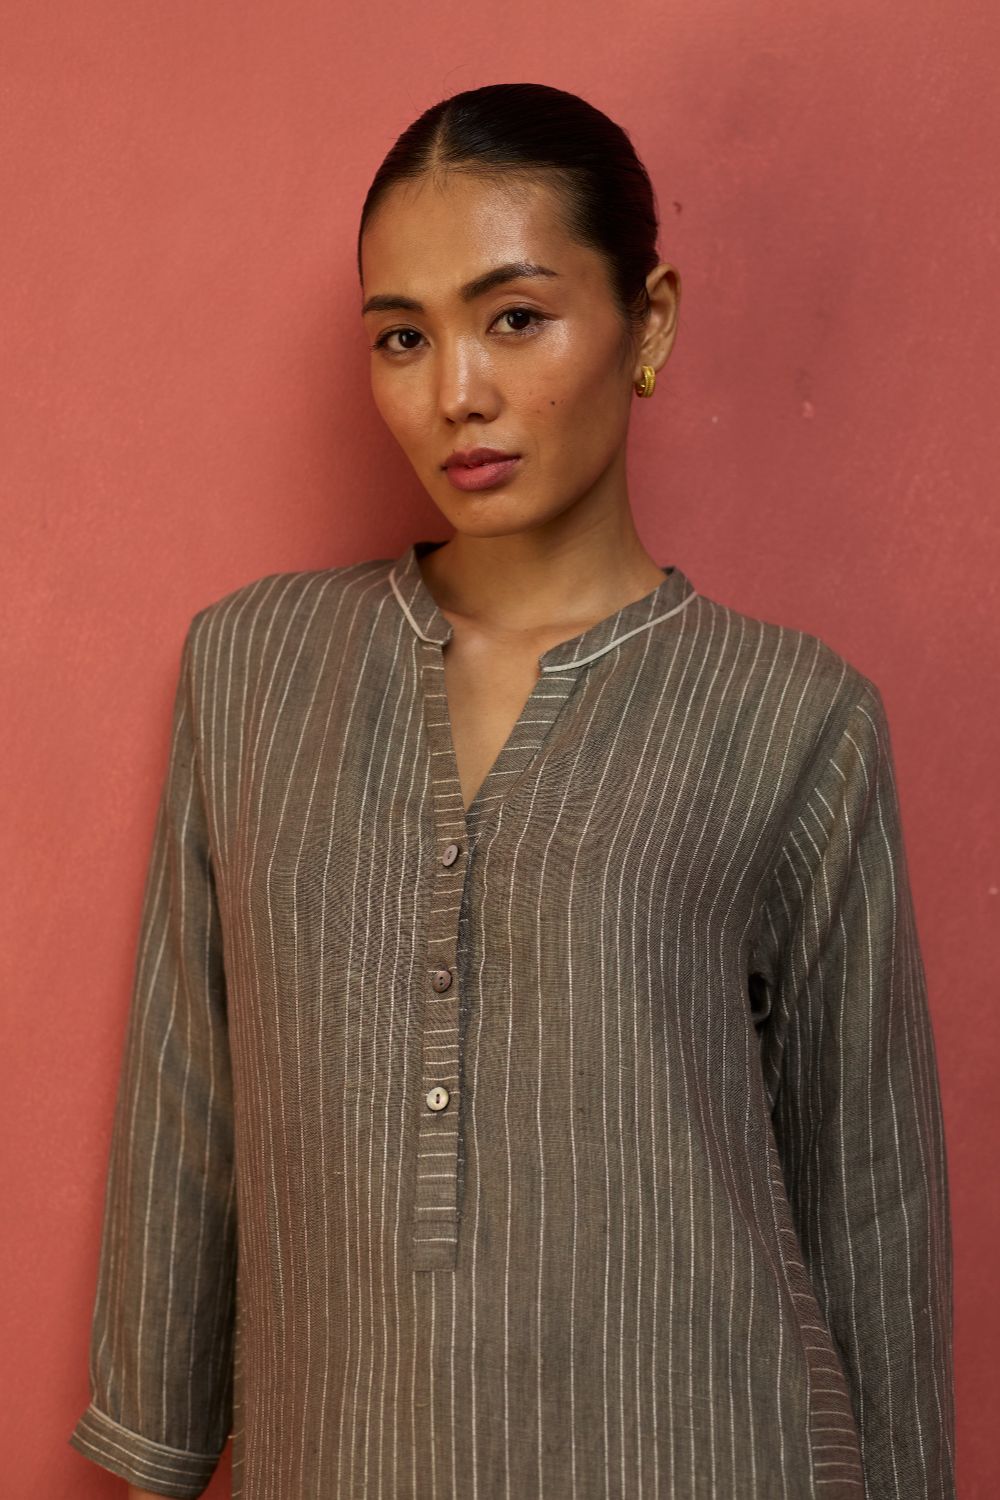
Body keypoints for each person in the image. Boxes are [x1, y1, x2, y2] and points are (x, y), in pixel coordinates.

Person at [67, 82, 955, 1499]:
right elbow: (191, 1098)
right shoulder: (255, 668)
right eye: (403, 337)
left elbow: (874, 1199)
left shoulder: (795, 716)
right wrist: (156, 1437)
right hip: (345, 1453)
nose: (456, 393)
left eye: (517, 318)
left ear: (647, 323)